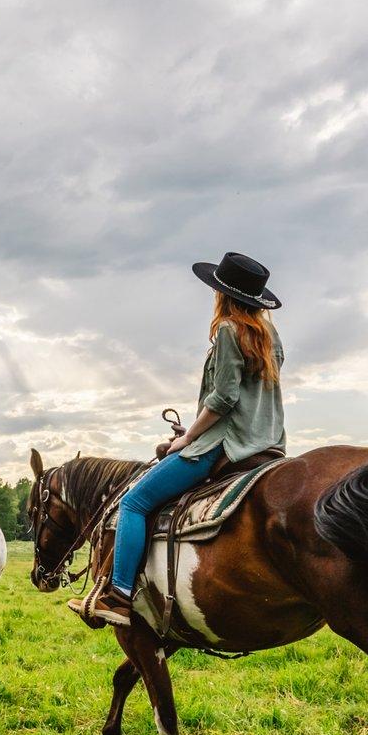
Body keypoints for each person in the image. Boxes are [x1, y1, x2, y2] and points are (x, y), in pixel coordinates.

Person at [84, 252, 286, 626]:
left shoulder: (228, 329)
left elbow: (224, 398)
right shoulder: (269, 335)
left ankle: (120, 596)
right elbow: (245, 398)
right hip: (267, 445)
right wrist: (193, 428)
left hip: (224, 445)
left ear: (221, 294)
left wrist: (187, 438)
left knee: (134, 502)